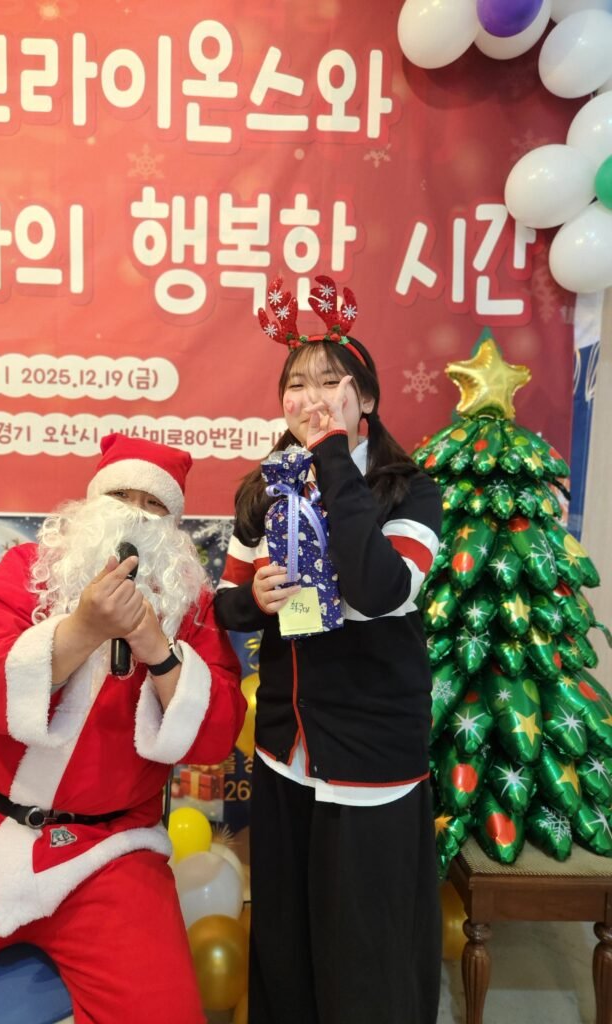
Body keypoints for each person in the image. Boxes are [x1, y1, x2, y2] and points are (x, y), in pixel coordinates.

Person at [0, 433, 245, 1024]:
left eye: (153, 505)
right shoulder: (27, 572)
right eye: (120, 497)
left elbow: (215, 737)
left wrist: (158, 650)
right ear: (90, 505)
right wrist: (81, 630)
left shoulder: (192, 606)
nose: (134, 516)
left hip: (112, 855)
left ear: (173, 528)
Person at [215, 277, 443, 1024]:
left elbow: (380, 590)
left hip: (372, 755)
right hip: (287, 748)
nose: (310, 396)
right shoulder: (266, 488)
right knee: (285, 940)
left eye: (329, 382)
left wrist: (334, 458)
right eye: (296, 383)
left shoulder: (410, 491)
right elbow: (226, 603)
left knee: (364, 950)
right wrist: (258, 600)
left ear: (365, 397)